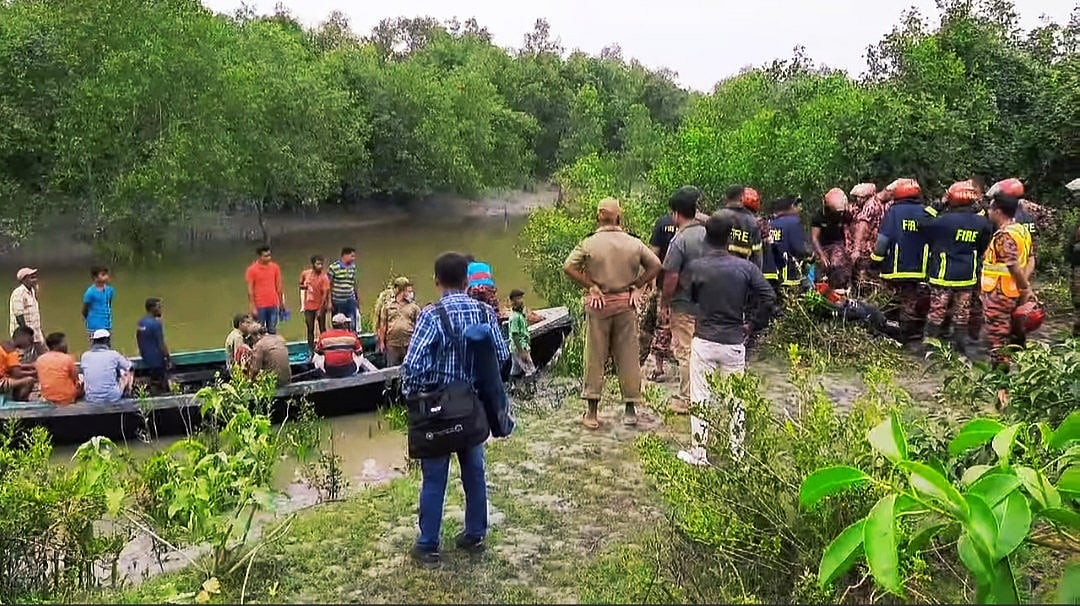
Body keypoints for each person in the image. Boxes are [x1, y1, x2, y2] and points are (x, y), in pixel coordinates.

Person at [400, 251, 509, 567]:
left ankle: (428, 545)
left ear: (436, 281)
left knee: (434, 478)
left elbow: (413, 366)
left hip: (438, 410)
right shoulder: (485, 313)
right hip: (471, 407)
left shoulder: (431, 316)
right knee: (474, 472)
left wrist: (417, 394)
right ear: (466, 280)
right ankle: (475, 534)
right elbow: (502, 358)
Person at [678, 214, 775, 466]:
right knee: (736, 398)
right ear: (730, 237)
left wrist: (700, 312)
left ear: (706, 235)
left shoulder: (696, 267)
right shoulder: (745, 267)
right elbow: (768, 296)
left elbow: (685, 299)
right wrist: (752, 324)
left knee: (700, 396)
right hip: (734, 341)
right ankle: (738, 454)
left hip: (705, 338)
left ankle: (699, 453)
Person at [563, 197, 661, 429]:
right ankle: (630, 410)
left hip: (599, 305)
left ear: (598, 217)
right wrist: (637, 285)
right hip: (625, 304)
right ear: (619, 216)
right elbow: (656, 264)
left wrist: (591, 286)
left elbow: (568, 266)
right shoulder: (633, 243)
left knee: (595, 357)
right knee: (628, 355)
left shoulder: (589, 243)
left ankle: (592, 413)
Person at [922, 181, 993, 353]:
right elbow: (983, 245)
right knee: (962, 314)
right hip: (967, 275)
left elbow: (922, 224)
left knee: (937, 312)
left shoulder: (943, 221)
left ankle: (930, 347)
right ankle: (961, 348)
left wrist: (937, 205)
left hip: (943, 275)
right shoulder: (982, 223)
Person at [661, 186, 709, 415]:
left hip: (684, 303)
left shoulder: (680, 240)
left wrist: (664, 304)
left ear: (676, 214)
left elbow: (671, 276)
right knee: (702, 350)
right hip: (708, 302)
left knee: (684, 352)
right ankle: (704, 394)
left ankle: (688, 398)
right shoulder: (708, 234)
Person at [980, 194, 1033, 392]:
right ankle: (1027, 378)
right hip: (1011, 293)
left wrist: (1024, 288)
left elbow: (1012, 266)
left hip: (999, 295)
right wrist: (1024, 287)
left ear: (998, 212)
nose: (988, 212)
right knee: (1015, 337)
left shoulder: (1003, 236)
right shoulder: (1022, 231)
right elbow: (1031, 259)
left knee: (998, 340)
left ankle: (1001, 389)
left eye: (991, 208)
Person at [870, 178, 932, 341]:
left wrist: (875, 261)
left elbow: (883, 241)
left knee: (891, 299)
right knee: (910, 300)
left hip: (895, 268)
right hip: (918, 269)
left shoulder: (893, 213)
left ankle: (893, 332)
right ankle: (909, 333)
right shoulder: (926, 212)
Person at [986, 178, 1051, 279]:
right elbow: (1049, 220)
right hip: (1027, 260)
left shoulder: (1004, 213)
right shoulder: (1031, 207)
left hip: (1005, 275)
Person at [644, 211, 679, 376]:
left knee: (662, 323)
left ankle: (659, 366)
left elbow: (653, 255)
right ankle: (684, 363)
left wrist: (650, 281)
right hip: (689, 286)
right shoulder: (698, 226)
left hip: (664, 283)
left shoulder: (662, 223)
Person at [849, 183, 890, 292]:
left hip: (867, 250)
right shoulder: (859, 208)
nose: (858, 200)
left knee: (863, 279)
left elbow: (862, 227)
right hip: (874, 250)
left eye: (860, 197)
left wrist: (856, 249)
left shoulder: (871, 206)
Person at [711, 185, 763, 268]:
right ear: (742, 198)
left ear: (725, 198)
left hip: (717, 270)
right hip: (742, 272)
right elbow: (757, 257)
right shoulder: (752, 222)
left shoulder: (717, 216)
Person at [811, 188, 853, 288]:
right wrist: (821, 255)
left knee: (837, 264)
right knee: (822, 267)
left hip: (837, 243)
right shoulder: (819, 215)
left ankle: (839, 288)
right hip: (822, 245)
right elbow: (814, 237)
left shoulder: (845, 214)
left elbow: (849, 229)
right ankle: (821, 288)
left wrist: (849, 246)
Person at [81, 329, 133, 404]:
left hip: (91, 398)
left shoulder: (85, 356)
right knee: (126, 373)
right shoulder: (114, 354)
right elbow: (129, 367)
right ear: (107, 341)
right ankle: (129, 391)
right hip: (112, 397)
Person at [771, 197, 813, 288]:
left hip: (772, 272)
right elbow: (799, 248)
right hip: (790, 273)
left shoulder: (771, 223)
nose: (800, 210)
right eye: (798, 207)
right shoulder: (794, 222)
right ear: (791, 206)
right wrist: (810, 253)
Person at [378, 277, 420, 366]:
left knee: (409, 368)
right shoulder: (387, 306)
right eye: (408, 290)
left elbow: (419, 325)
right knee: (390, 370)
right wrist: (381, 342)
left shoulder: (414, 307)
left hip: (408, 344)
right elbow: (383, 325)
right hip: (392, 344)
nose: (410, 293)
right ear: (401, 291)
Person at [245, 245, 284, 334]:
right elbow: (250, 290)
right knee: (259, 330)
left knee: (272, 330)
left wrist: (281, 303)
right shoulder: (252, 270)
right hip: (260, 305)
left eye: (269, 255)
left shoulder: (275, 267)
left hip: (273, 304)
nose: (268, 258)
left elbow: (279, 287)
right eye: (265, 256)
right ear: (259, 256)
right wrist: (252, 307)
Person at [136, 297, 171, 394]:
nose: (161, 310)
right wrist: (168, 359)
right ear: (152, 309)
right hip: (156, 360)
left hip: (146, 357)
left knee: (154, 380)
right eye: (159, 307)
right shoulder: (156, 324)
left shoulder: (141, 322)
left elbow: (139, 339)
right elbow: (161, 344)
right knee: (162, 383)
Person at [35, 332, 81, 405]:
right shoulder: (68, 358)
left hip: (47, 397)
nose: (66, 345)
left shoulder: (40, 359)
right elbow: (75, 379)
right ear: (55, 345)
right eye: (64, 343)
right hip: (67, 398)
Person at [299, 255, 331, 356]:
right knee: (310, 328)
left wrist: (320, 309)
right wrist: (304, 286)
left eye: (321, 264)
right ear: (313, 264)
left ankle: (324, 347)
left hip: (319, 306)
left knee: (322, 328)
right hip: (308, 306)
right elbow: (300, 285)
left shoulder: (324, 277)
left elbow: (325, 295)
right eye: (318, 264)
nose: (320, 266)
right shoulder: (305, 273)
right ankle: (311, 349)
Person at [9, 267, 44, 360]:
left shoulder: (32, 291)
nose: (35, 280)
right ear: (24, 280)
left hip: (36, 332)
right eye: (32, 278)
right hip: (23, 334)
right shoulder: (18, 293)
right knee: (24, 357)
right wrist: (26, 335)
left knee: (42, 355)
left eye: (35, 277)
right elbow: (19, 315)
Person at [328, 247, 361, 330]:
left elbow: (353, 283)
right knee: (338, 323)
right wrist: (329, 302)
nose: (354, 259)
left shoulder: (353, 267)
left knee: (352, 323)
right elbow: (328, 285)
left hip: (350, 300)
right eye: (352, 256)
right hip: (337, 301)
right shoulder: (333, 267)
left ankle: (352, 338)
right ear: (345, 255)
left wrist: (357, 298)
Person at [1, 326, 37, 400]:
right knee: (29, 380)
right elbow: (17, 373)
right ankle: (19, 401)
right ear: (22, 337)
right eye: (30, 340)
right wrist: (34, 373)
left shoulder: (4, 345)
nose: (30, 344)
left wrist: (30, 366)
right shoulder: (11, 351)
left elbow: (11, 367)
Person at [507, 289, 536, 379]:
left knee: (515, 369)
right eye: (518, 298)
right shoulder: (515, 317)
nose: (521, 300)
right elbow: (515, 335)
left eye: (521, 298)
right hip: (520, 347)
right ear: (513, 301)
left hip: (517, 348)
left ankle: (513, 387)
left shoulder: (520, 314)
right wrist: (521, 351)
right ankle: (530, 389)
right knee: (530, 370)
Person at [82, 266, 115, 341]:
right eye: (103, 275)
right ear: (95, 278)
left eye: (106, 274)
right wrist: (86, 319)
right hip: (94, 324)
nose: (106, 277)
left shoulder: (110, 290)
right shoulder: (90, 292)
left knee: (107, 345)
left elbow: (108, 304)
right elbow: (85, 308)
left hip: (107, 324)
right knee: (95, 345)